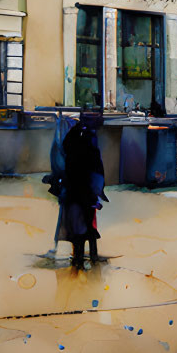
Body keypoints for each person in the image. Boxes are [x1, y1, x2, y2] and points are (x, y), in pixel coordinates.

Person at [62, 121, 108, 268]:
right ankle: (92, 255)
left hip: (73, 193)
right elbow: (97, 171)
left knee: (77, 227)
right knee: (89, 224)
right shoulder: (91, 152)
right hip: (87, 194)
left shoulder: (70, 151)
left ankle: (78, 257)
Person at [42, 114, 76, 257]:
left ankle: (64, 247)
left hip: (68, 184)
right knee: (70, 216)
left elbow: (61, 163)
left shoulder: (63, 134)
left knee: (68, 216)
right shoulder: (68, 134)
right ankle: (74, 248)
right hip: (69, 184)